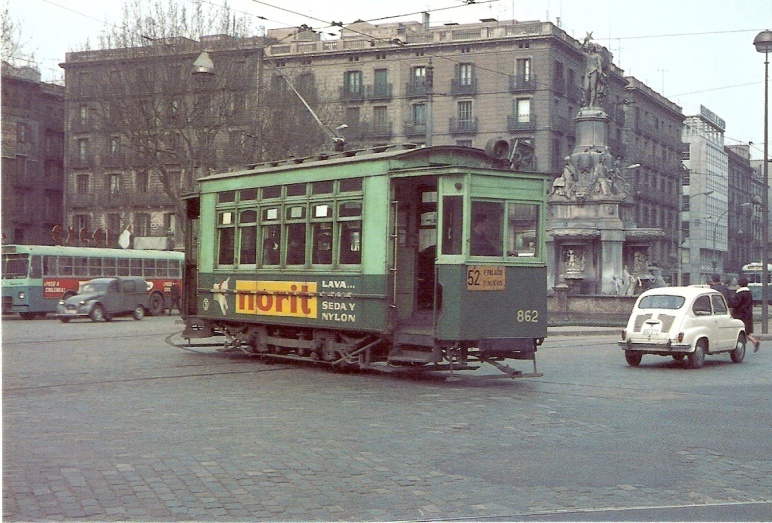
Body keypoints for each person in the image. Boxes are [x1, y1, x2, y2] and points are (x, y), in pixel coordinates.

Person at [732, 276, 760, 352]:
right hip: (747, 314)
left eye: (737, 284)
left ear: (740, 285)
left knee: (740, 331)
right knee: (746, 331)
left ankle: (752, 342)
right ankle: (754, 342)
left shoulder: (740, 294)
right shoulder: (748, 293)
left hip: (740, 315)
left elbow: (736, 304)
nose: (736, 286)